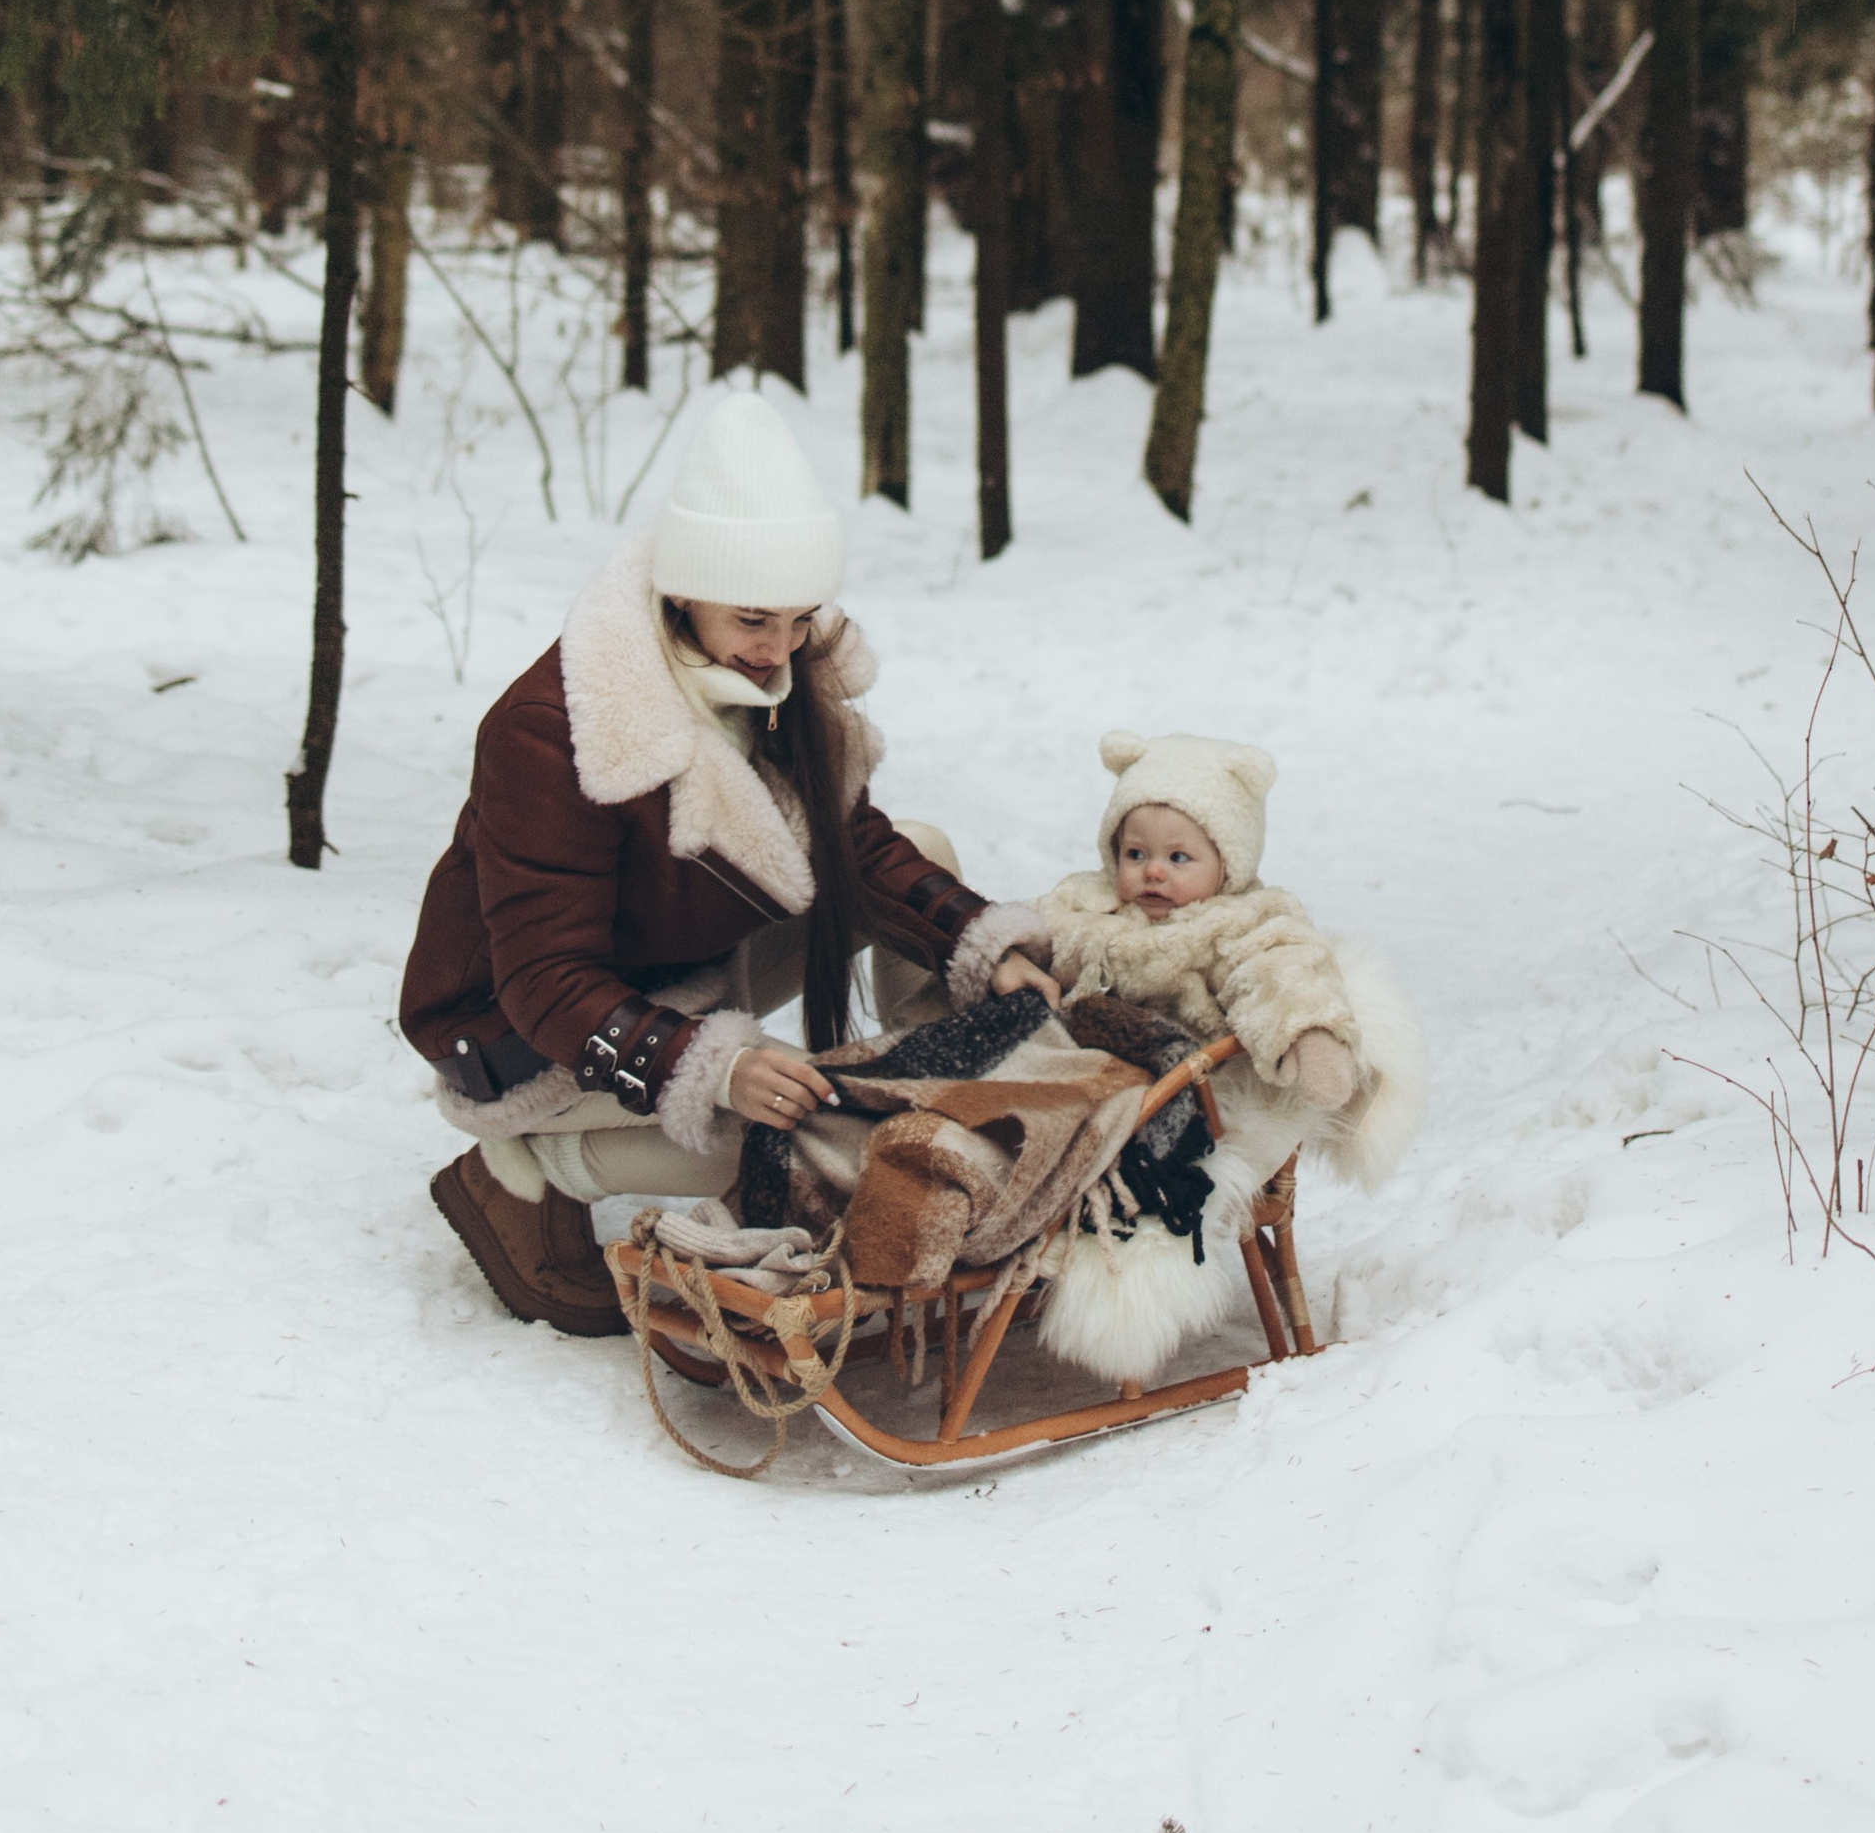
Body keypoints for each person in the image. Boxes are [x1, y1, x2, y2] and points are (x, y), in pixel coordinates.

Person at [400, 391, 1052, 1336]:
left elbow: (852, 846)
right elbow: (543, 976)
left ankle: (925, 1104)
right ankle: (524, 1171)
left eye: (799, 618)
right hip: (520, 1026)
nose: (779, 649)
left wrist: (983, 945)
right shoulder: (552, 728)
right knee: (766, 1133)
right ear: (683, 592)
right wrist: (712, 1067)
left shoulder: (773, 665)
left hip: (674, 951)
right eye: (753, 619)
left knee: (928, 857)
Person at [1031, 729, 1428, 1194]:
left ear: (1227, 864)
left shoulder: (1242, 921)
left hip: (1182, 1090)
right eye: (1135, 853)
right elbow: (1035, 931)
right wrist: (1013, 954)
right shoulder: (1087, 899)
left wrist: (1309, 1036)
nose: (1153, 870)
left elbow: (1282, 974)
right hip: (1078, 1069)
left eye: (1179, 857)